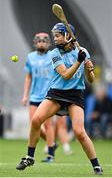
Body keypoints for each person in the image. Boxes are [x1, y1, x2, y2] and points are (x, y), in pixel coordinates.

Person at [16, 23, 103, 175]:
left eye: (57, 35)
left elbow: (91, 79)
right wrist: (78, 61)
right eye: (54, 35)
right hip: (57, 94)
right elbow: (65, 74)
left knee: (79, 132)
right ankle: (29, 157)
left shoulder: (83, 51)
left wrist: (88, 67)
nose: (54, 39)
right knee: (36, 120)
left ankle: (96, 166)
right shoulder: (54, 53)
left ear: (68, 36)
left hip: (75, 95)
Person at [21, 32, 56, 162]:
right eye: (39, 41)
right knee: (34, 124)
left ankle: (50, 154)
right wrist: (25, 95)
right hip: (34, 96)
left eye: (44, 41)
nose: (42, 43)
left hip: (48, 96)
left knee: (48, 125)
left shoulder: (53, 55)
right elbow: (28, 77)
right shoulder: (30, 57)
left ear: (48, 43)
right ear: (35, 43)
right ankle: (51, 143)